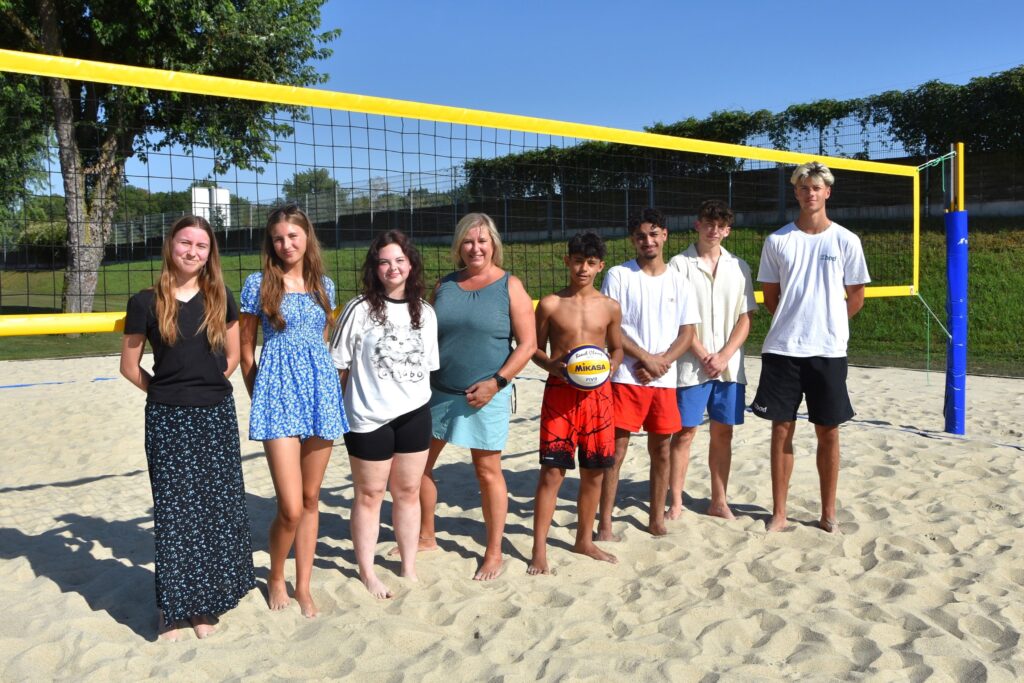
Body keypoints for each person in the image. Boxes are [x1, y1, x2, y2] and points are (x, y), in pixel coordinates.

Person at [120, 215, 255, 642]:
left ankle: (203, 605)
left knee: (214, 511)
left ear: (209, 252)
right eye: (185, 243)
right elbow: (128, 367)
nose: (193, 251)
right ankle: (170, 608)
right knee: (176, 514)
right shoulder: (145, 301)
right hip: (168, 417)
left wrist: (209, 385)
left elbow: (232, 357)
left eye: (201, 245)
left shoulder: (221, 296)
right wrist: (163, 393)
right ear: (170, 247)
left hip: (215, 414)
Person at [415, 212, 537, 580]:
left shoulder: (509, 285)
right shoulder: (444, 285)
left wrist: (496, 383)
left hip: (486, 393)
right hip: (439, 391)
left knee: (487, 472)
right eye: (468, 241)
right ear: (458, 246)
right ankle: (426, 535)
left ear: (493, 244)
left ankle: (494, 551)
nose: (475, 247)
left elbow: (528, 344)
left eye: (482, 240)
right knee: (418, 466)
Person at [239, 205, 348, 617]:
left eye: (293, 236)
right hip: (277, 395)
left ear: (307, 238)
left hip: (320, 392)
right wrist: (259, 394)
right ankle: (276, 575)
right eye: (279, 238)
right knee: (289, 505)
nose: (286, 244)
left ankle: (303, 585)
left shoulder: (325, 286)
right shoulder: (258, 283)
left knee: (311, 497)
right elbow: (247, 351)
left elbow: (321, 340)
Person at [750, 161, 870, 533]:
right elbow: (772, 297)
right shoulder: (778, 240)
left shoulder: (846, 240)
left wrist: (829, 324)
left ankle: (828, 512)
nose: (810, 193)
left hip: (828, 351)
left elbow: (857, 296)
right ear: (796, 193)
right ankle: (780, 512)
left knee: (828, 431)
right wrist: (797, 322)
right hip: (784, 349)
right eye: (803, 188)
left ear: (827, 192)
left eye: (816, 187)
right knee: (781, 429)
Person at [329, 230, 438, 599]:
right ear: (375, 269)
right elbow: (337, 365)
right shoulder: (358, 309)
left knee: (407, 491)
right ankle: (367, 571)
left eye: (399, 260)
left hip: (414, 413)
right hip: (367, 417)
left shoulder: (425, 312)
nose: (393, 267)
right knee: (370, 494)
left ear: (411, 265)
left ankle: (408, 565)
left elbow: (428, 367)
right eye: (384, 261)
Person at [599, 208, 699, 538]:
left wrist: (662, 362)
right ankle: (606, 522)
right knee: (615, 451)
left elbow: (687, 332)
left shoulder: (681, 281)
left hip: (664, 380)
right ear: (633, 240)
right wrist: (645, 358)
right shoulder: (618, 274)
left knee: (662, 450)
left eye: (654, 234)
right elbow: (610, 327)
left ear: (665, 236)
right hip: (627, 377)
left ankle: (656, 518)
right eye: (641, 236)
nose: (648, 241)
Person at [528, 231, 624, 575]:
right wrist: (550, 364)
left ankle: (584, 539)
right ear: (567, 260)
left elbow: (617, 347)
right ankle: (539, 549)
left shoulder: (610, 306)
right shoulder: (551, 304)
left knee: (595, 472)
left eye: (591, 262)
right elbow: (534, 349)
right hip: (560, 393)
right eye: (578, 260)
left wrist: (612, 364)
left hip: (598, 397)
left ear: (600, 265)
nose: (583, 268)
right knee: (552, 473)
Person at [667, 200, 757, 520]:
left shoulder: (739, 267)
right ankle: (675, 501)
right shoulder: (678, 264)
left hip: (729, 367)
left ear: (728, 231)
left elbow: (746, 318)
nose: (713, 230)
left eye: (720, 225)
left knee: (723, 433)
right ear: (697, 224)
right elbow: (677, 319)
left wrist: (724, 355)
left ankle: (719, 500)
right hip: (691, 364)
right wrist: (705, 354)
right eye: (708, 223)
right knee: (685, 433)